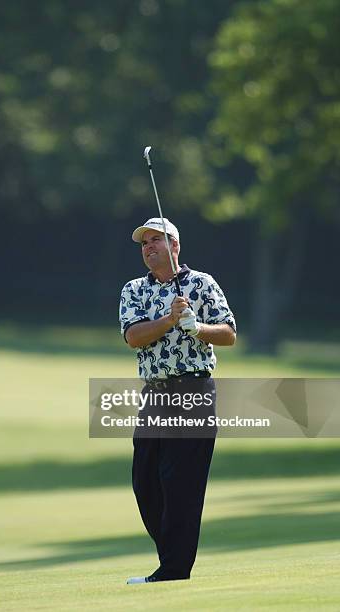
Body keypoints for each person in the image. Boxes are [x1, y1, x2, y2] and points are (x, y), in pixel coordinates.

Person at [119, 217, 236, 584]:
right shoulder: (134, 289)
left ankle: (172, 570)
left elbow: (229, 333)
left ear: (175, 245)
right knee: (146, 483)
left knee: (180, 485)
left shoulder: (201, 284)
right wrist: (170, 320)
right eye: (144, 242)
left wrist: (196, 327)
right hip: (155, 394)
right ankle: (172, 555)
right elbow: (133, 336)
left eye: (157, 240)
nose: (149, 247)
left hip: (194, 392)